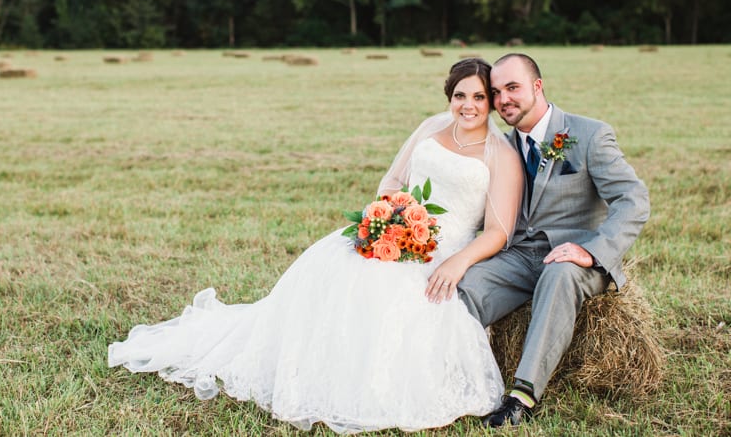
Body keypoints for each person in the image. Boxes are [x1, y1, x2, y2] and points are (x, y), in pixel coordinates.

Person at [108, 58, 524, 433]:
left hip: (446, 247)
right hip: (396, 229)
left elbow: (498, 231)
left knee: (393, 293)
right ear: (449, 97)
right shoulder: (431, 127)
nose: (467, 105)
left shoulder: (500, 154)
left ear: (491, 101)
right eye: (459, 95)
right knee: (336, 264)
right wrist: (389, 219)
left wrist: (457, 264)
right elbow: (392, 182)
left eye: (479, 97)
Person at [452, 53, 650, 427]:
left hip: (574, 258)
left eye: (513, 88)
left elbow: (633, 200)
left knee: (559, 275)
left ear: (537, 87)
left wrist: (591, 252)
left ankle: (521, 398)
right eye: (496, 92)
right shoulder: (500, 146)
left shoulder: (589, 134)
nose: (503, 99)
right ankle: (453, 379)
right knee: (463, 289)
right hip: (519, 257)